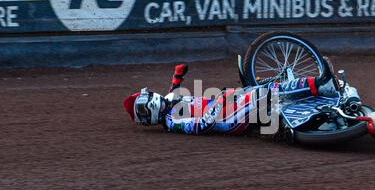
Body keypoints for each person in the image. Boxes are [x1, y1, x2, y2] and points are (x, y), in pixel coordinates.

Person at [123, 62, 338, 135]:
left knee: (260, 87)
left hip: (230, 107)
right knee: (266, 92)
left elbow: (173, 88)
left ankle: (311, 100)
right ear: (148, 113)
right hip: (229, 120)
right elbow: (202, 125)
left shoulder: (169, 103)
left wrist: (178, 74)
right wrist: (218, 101)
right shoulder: (172, 122)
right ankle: (320, 84)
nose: (151, 95)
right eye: (146, 99)